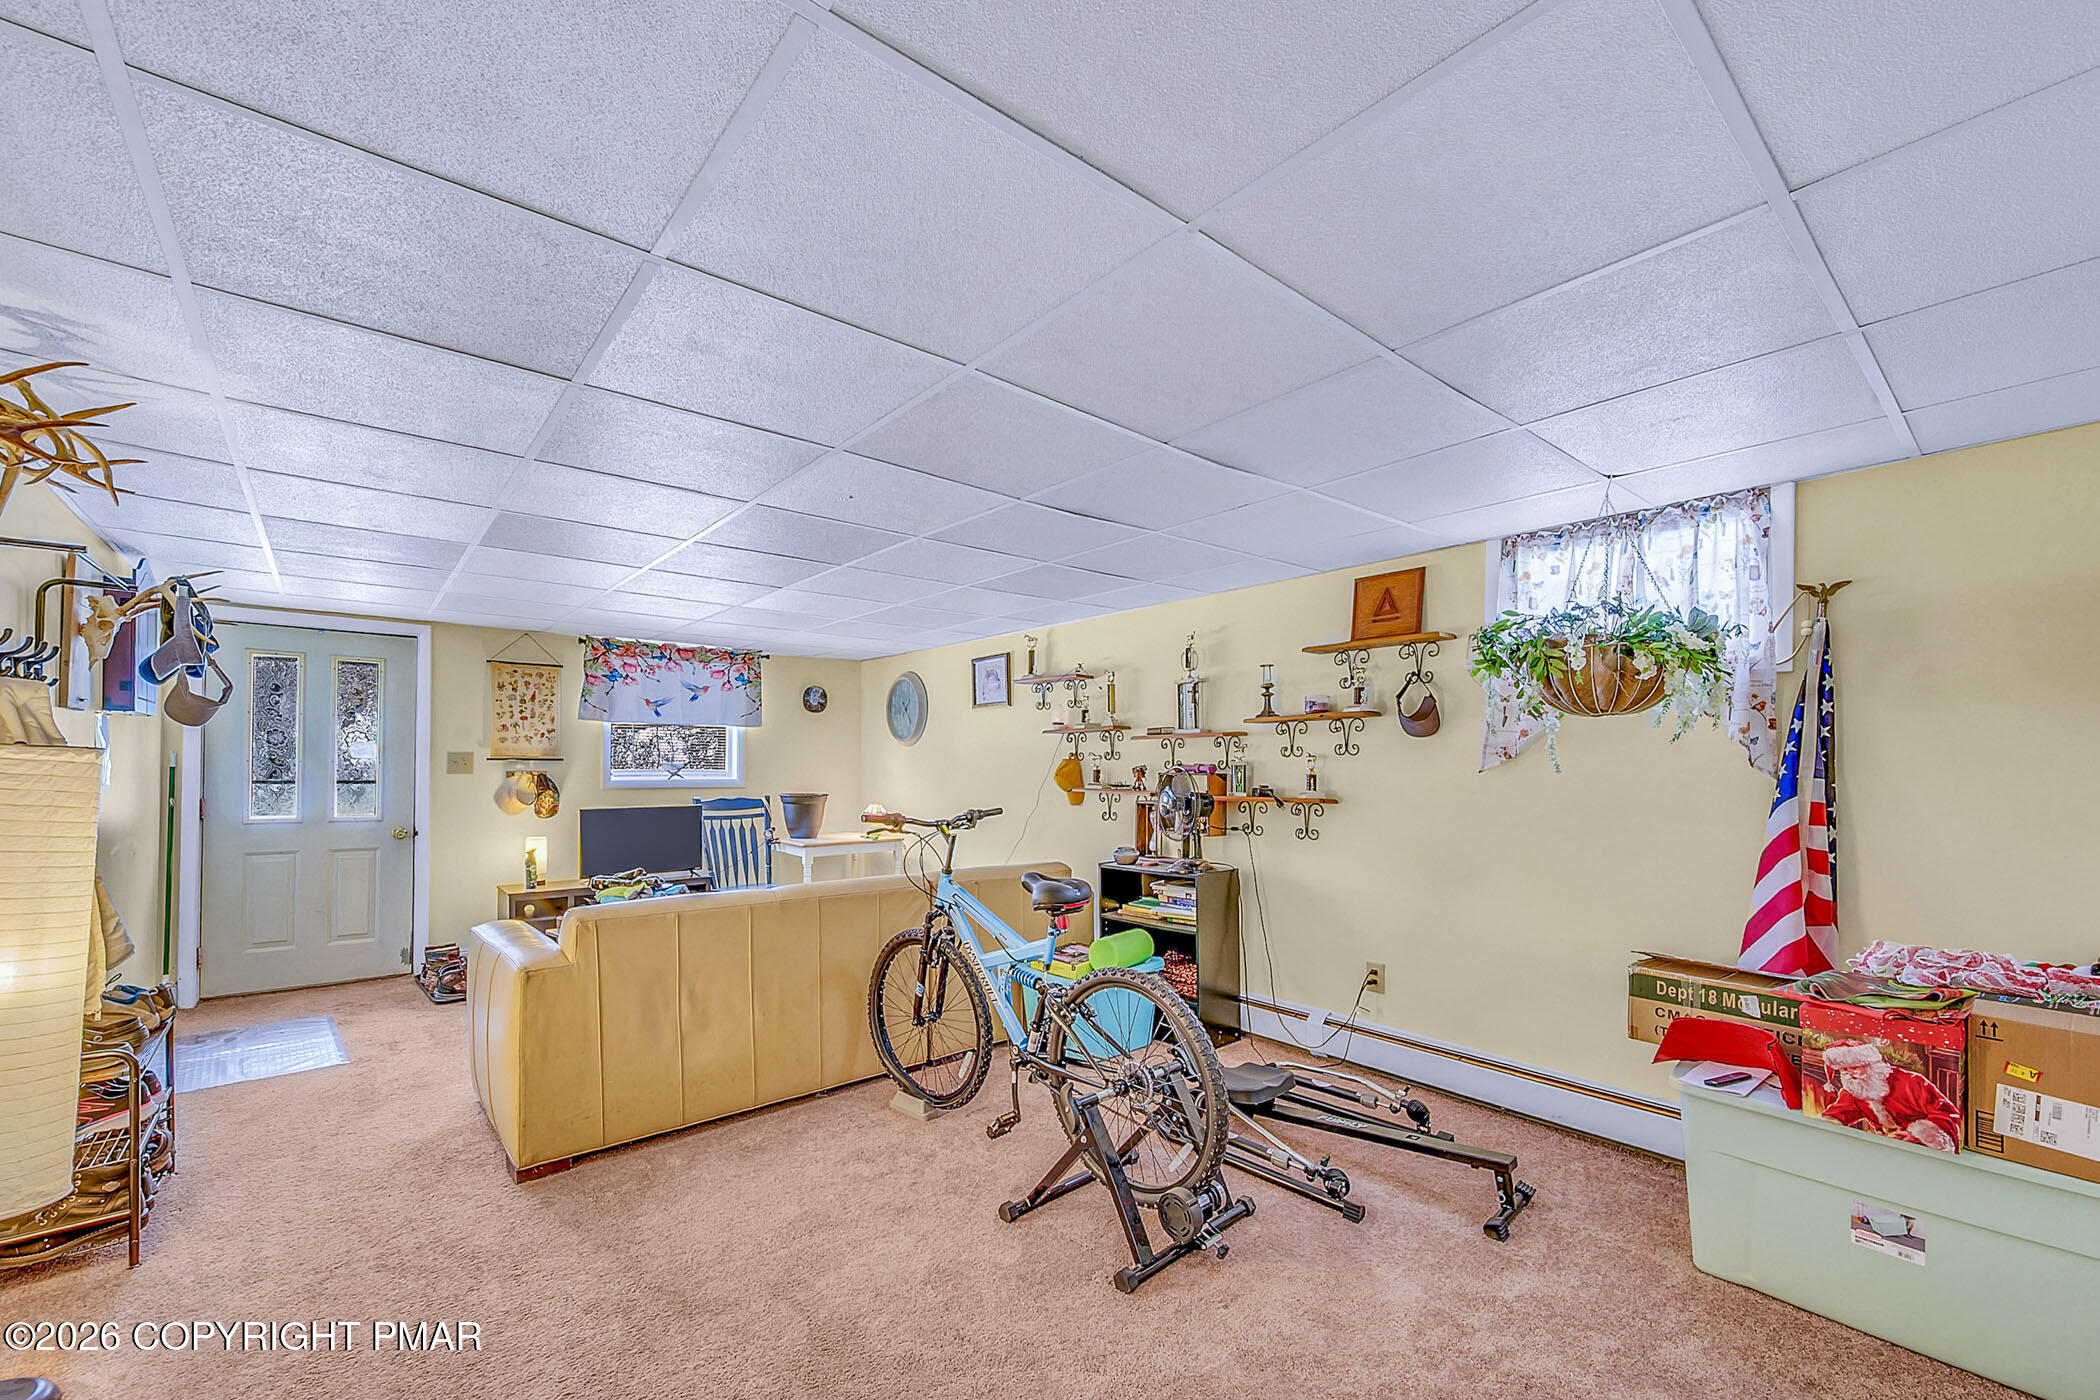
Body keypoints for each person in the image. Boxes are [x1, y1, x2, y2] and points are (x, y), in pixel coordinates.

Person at [1817, 1040, 1959, 1152]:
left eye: (1854, 1067)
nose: (1849, 1074)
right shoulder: (1854, 1088)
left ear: (1870, 1064)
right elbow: (1835, 1114)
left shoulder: (1911, 1082)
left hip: (1923, 1148)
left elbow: (1946, 1114)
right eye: (1843, 1069)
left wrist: (1917, 1136)